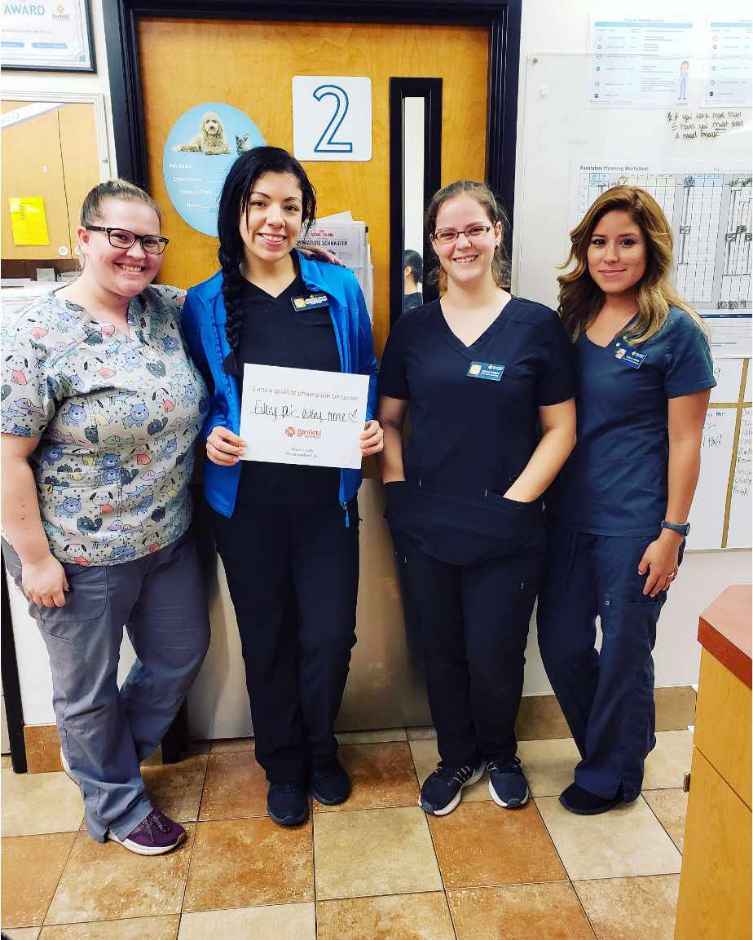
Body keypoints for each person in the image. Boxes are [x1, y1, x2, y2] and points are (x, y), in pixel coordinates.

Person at [1, 179, 211, 854]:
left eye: (150, 240)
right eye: (120, 236)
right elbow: (5, 457)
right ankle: (117, 803)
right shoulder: (35, 332)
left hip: (166, 537)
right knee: (84, 691)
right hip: (74, 556)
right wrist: (35, 559)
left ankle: (102, 758)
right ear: (85, 238)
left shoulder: (167, 311)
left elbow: (236, 313)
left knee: (179, 656)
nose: (137, 252)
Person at [180, 146, 382, 827]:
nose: (275, 219)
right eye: (259, 203)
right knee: (267, 638)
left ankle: (323, 750)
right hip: (245, 508)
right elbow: (201, 398)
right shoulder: (203, 303)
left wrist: (367, 429)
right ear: (236, 210)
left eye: (290, 207)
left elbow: (365, 373)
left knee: (329, 637)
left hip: (326, 504)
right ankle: (283, 764)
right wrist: (214, 433)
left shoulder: (338, 290)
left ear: (305, 217)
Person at [378, 180, 576, 816]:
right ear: (434, 245)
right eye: (447, 233)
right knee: (440, 649)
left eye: (473, 229)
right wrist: (398, 492)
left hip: (510, 525)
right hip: (426, 522)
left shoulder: (536, 327)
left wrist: (515, 504)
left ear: (496, 233)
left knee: (496, 650)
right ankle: (455, 755)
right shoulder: (413, 330)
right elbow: (386, 421)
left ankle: (501, 752)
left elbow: (560, 429)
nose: (461, 242)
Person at [537, 185, 714, 815]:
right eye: (599, 242)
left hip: (636, 520)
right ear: (584, 251)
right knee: (559, 642)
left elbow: (687, 439)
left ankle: (612, 770)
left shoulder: (676, 332)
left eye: (627, 242)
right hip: (564, 517)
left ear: (651, 248)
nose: (611, 255)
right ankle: (623, 743)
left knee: (623, 649)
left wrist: (673, 532)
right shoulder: (569, 322)